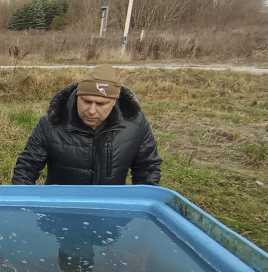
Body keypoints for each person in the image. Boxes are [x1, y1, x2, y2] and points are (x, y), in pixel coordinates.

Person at [12, 64, 162, 185]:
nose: (91, 110)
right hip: (62, 208)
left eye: (101, 104)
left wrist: (138, 208)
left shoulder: (135, 124)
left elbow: (147, 169)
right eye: (86, 101)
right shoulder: (51, 123)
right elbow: (26, 167)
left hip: (110, 210)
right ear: (78, 96)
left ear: (114, 101)